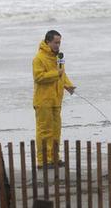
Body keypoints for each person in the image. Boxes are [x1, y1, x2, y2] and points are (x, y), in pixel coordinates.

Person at [33, 30, 76, 168]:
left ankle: (54, 158)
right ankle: (43, 160)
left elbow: (62, 74)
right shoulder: (38, 58)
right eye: (55, 42)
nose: (58, 45)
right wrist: (55, 74)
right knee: (45, 131)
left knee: (56, 130)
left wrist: (68, 85)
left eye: (59, 42)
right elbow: (38, 77)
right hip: (43, 101)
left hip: (56, 99)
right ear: (47, 42)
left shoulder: (58, 57)